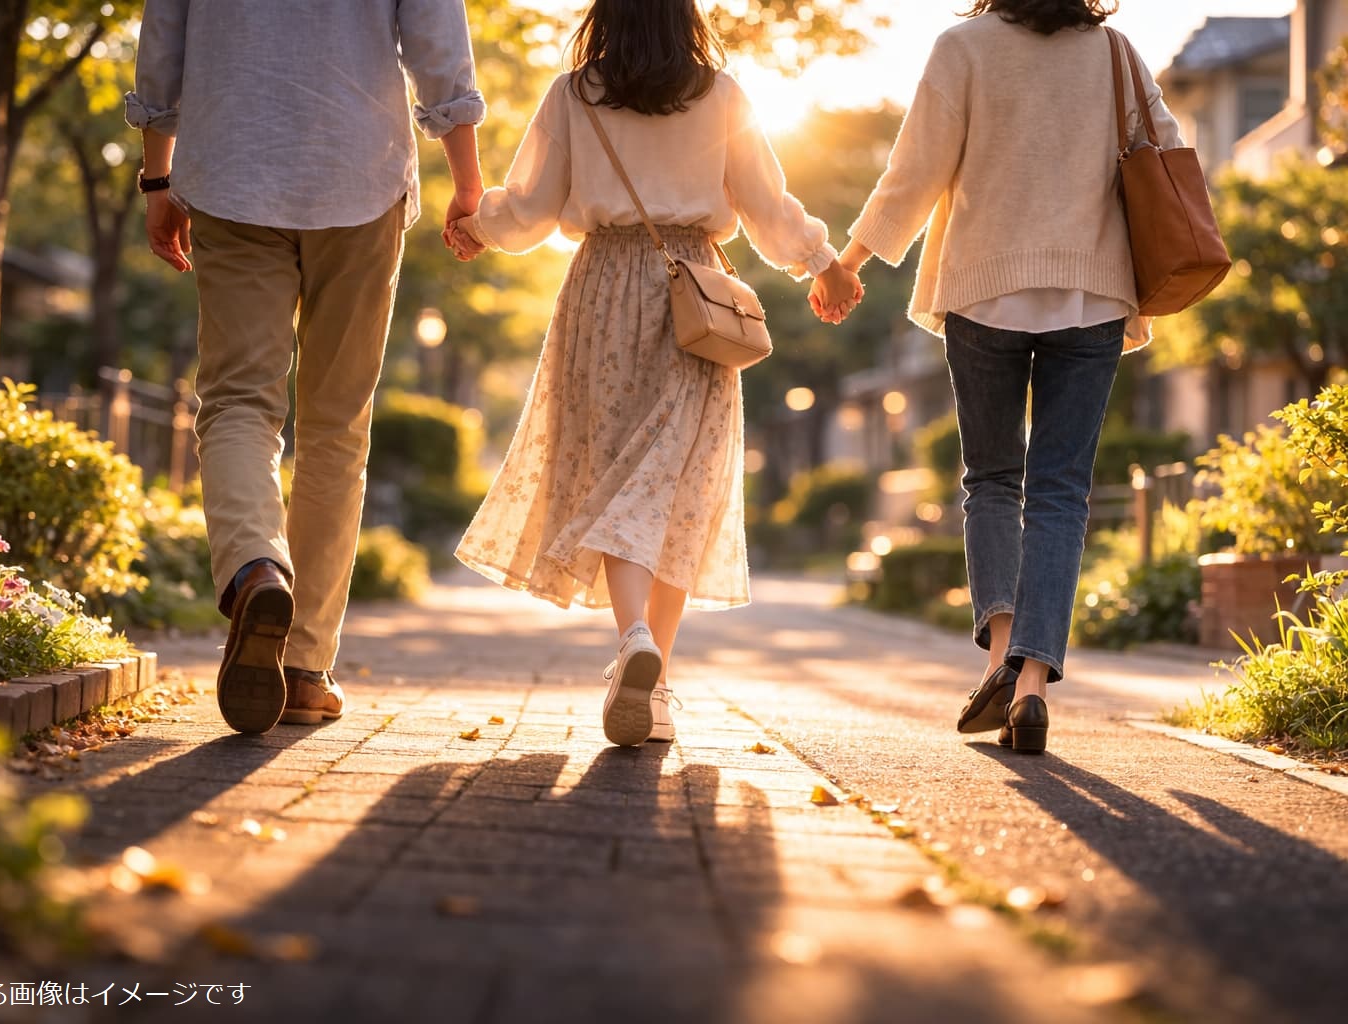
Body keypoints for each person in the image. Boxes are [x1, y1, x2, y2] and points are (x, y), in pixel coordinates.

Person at [446, 0, 862, 747]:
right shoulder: (723, 93)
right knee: (681, 484)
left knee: (614, 469)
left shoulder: (576, 92)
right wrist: (823, 264)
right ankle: (654, 675)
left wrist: (477, 225)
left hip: (603, 289)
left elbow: (534, 207)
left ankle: (634, 640)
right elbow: (769, 208)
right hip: (694, 294)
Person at [813, 0, 1182, 754]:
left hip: (984, 290)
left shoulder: (964, 47)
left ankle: (999, 657)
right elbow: (1168, 149)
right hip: (1093, 291)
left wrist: (844, 265)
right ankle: (1033, 683)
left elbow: (913, 171)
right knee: (1060, 489)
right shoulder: (1115, 52)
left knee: (991, 479)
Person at [125, 1, 486, 734]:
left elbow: (163, 39)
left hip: (231, 168)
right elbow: (436, 41)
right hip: (360, 174)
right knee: (336, 427)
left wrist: (157, 179)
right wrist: (468, 181)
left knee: (236, 406)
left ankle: (256, 567)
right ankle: (304, 665)